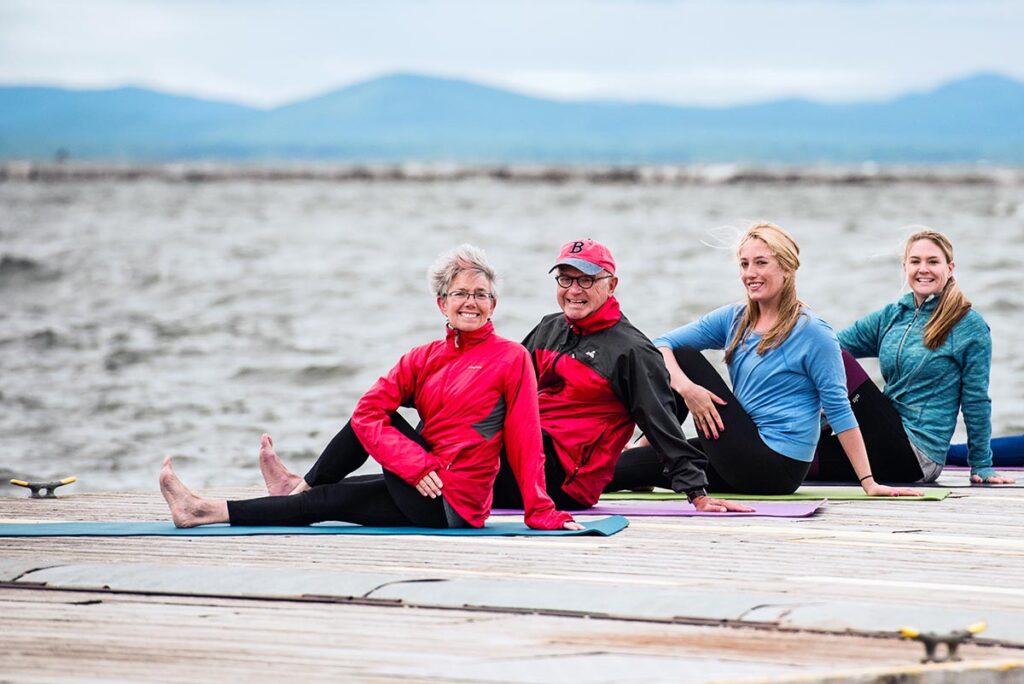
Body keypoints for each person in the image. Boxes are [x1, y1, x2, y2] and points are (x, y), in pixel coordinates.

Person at [159, 244, 581, 531]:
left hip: (454, 501)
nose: (471, 302)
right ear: (442, 303)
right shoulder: (423, 357)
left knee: (379, 424)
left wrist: (540, 511)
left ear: (493, 305)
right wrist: (416, 465)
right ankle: (206, 509)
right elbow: (365, 413)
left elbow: (526, 441)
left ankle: (292, 487)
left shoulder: (510, 358)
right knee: (328, 499)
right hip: (423, 484)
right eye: (460, 293)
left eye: (481, 294)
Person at [616, 222, 920, 496]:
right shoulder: (734, 318)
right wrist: (687, 390)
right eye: (744, 264)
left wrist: (869, 482)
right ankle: (638, 454)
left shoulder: (813, 332)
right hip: (740, 453)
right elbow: (659, 345)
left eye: (761, 263)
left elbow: (839, 409)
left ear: (786, 268)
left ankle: (649, 448)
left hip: (777, 466)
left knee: (684, 357)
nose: (750, 273)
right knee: (618, 470)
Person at [491, 238, 751, 513]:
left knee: (479, 457)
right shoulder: (549, 328)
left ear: (611, 285)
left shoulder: (631, 351)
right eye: (565, 279)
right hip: (529, 451)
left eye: (586, 280)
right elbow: (504, 388)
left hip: (565, 479)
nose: (574, 290)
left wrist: (697, 493)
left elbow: (661, 424)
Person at [812, 228, 1014, 485]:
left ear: (950, 268)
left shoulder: (967, 325)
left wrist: (982, 464)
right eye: (916, 261)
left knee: (837, 356)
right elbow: (829, 345)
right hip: (881, 440)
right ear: (905, 267)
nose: (923, 269)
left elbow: (976, 400)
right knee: (804, 458)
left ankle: (818, 421)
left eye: (933, 261)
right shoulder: (891, 316)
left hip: (918, 454)